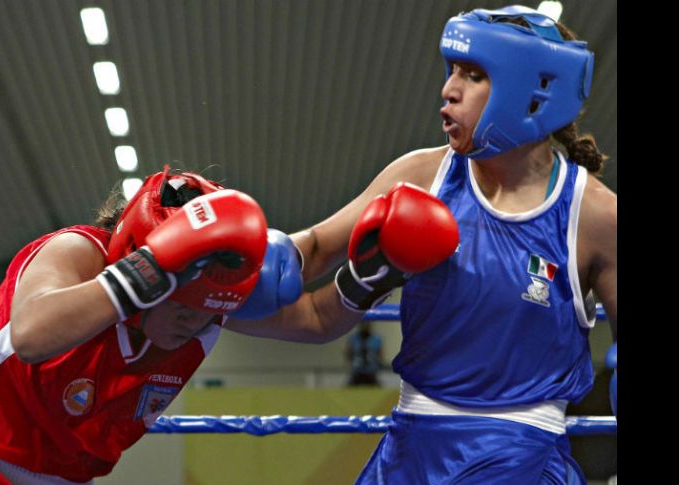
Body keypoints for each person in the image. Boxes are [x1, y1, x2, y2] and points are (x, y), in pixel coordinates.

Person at [226, 5, 616, 483]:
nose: (448, 90)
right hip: (408, 448)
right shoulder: (420, 176)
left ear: (533, 93)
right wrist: (224, 273)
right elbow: (310, 253)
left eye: (474, 75)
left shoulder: (593, 215)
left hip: (521, 457)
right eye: (452, 70)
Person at [0, 165, 304, 483]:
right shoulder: (77, 253)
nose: (192, 316)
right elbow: (30, 336)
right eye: (180, 297)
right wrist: (152, 269)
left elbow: (317, 310)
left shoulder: (206, 300)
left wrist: (355, 279)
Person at [345, 322, 384, 386]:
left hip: (371, 371)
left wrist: (380, 364)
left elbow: (381, 354)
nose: (365, 326)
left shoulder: (376, 339)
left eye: (367, 324)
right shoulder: (353, 339)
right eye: (363, 324)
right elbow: (348, 353)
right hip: (357, 371)